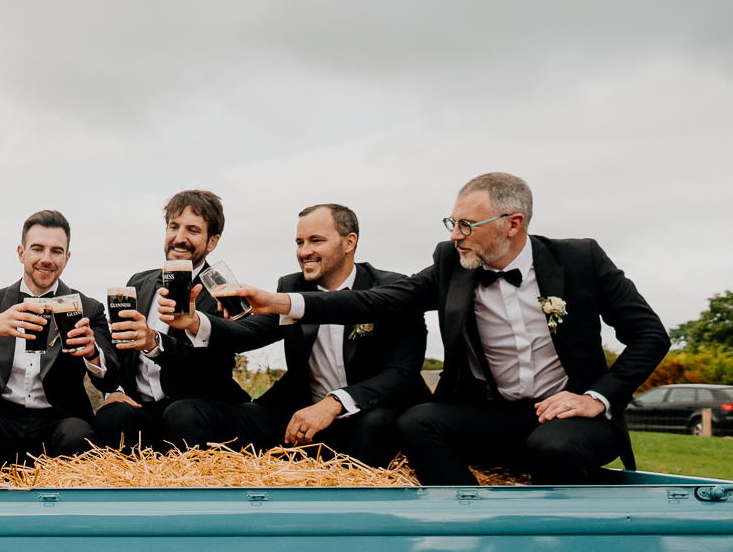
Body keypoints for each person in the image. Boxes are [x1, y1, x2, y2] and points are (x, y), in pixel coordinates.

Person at [233, 173, 668, 484]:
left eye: (466, 225)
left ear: (512, 224)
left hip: (570, 413)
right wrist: (281, 302)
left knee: (551, 449)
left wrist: (596, 398)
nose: (456, 235)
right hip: (494, 412)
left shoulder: (580, 260)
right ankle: (471, 523)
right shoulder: (450, 264)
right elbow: (377, 300)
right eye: (452, 223)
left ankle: (568, 547)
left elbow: (650, 335)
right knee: (418, 422)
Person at [193, 203, 427, 467]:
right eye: (299, 242)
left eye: (316, 241)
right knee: (245, 416)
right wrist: (193, 322)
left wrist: (335, 402)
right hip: (309, 418)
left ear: (349, 242)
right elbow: (250, 333)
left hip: (373, 412)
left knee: (375, 423)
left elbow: (401, 375)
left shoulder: (392, 289)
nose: (305, 252)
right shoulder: (292, 287)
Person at [0, 210, 116, 472]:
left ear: (67, 258)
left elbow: (110, 377)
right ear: (21, 253)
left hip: (60, 420)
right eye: (37, 249)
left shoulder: (88, 309)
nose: (46, 259)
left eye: (56, 251)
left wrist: (93, 354)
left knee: (79, 439)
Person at [94, 189, 250, 450]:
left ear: (212, 242)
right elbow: (122, 354)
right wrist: (115, 390)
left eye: (192, 230)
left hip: (198, 407)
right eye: (173, 227)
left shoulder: (225, 291)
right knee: (111, 416)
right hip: (144, 408)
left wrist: (154, 343)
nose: (179, 238)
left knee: (181, 415)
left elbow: (214, 368)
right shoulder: (138, 282)